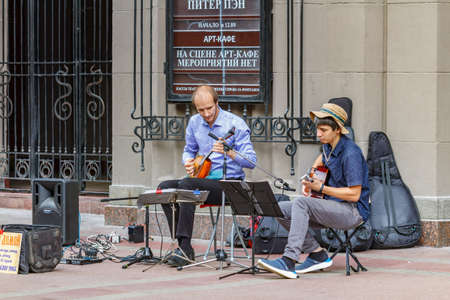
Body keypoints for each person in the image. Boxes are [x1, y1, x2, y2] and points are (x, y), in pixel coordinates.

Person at [257, 102, 370, 279]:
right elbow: (321, 159)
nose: (318, 134)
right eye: (318, 129)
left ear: (337, 130)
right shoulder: (329, 147)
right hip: (332, 207)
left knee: (301, 203)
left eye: (323, 130)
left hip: (352, 212)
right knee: (279, 208)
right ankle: (317, 253)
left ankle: (289, 260)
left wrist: (322, 188)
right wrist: (309, 179)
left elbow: (355, 194)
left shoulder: (351, 153)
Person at [158, 85, 257, 267]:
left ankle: (184, 248)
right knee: (165, 187)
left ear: (217, 103)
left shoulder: (235, 124)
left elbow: (251, 161)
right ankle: (183, 246)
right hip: (203, 179)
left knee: (187, 185)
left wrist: (230, 152)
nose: (206, 114)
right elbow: (189, 150)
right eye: (200, 110)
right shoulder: (195, 123)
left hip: (230, 184)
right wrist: (188, 162)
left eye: (209, 108)